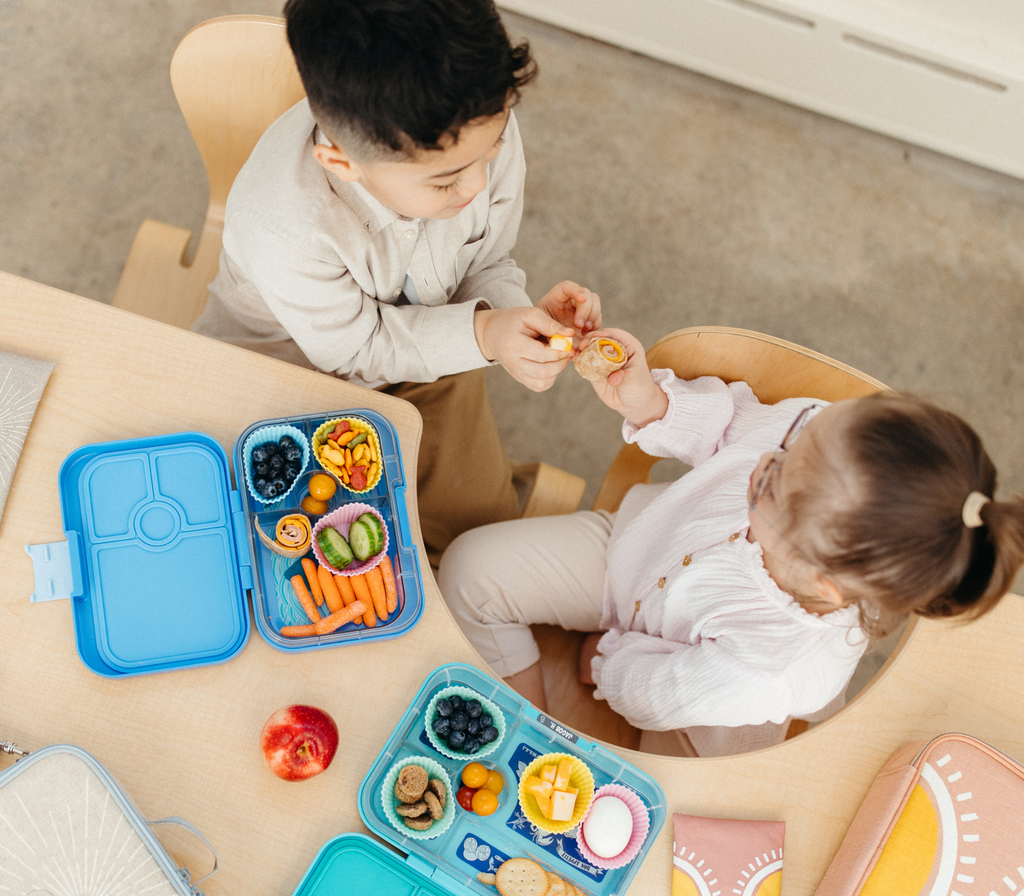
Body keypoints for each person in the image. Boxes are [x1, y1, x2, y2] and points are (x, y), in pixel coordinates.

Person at [438, 328, 1024, 756]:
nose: (766, 459)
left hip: (708, 706)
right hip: (634, 555)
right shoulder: (812, 449)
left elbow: (654, 699)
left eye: (769, 484)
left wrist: (606, 661)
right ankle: (521, 725)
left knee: (675, 796)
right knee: (471, 566)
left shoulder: (769, 668)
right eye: (799, 436)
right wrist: (653, 403)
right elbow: (732, 425)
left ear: (821, 578)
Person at [191, 0, 600, 564]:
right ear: (341, 164)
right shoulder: (283, 223)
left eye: (496, 149)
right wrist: (484, 334)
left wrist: (510, 318)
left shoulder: (470, 129)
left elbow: (486, 261)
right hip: (285, 369)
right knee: (278, 546)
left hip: (426, 348)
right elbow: (355, 351)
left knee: (480, 535)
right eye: (447, 182)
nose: (479, 186)